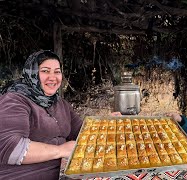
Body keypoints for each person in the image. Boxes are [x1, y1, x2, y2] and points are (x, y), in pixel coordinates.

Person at [0, 50, 123, 180]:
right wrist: (60, 150)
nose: (53, 77)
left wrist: (105, 123)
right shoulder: (14, 100)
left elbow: (82, 133)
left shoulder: (59, 103)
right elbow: (9, 148)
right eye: (45, 71)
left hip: (63, 174)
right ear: (32, 74)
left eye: (57, 71)